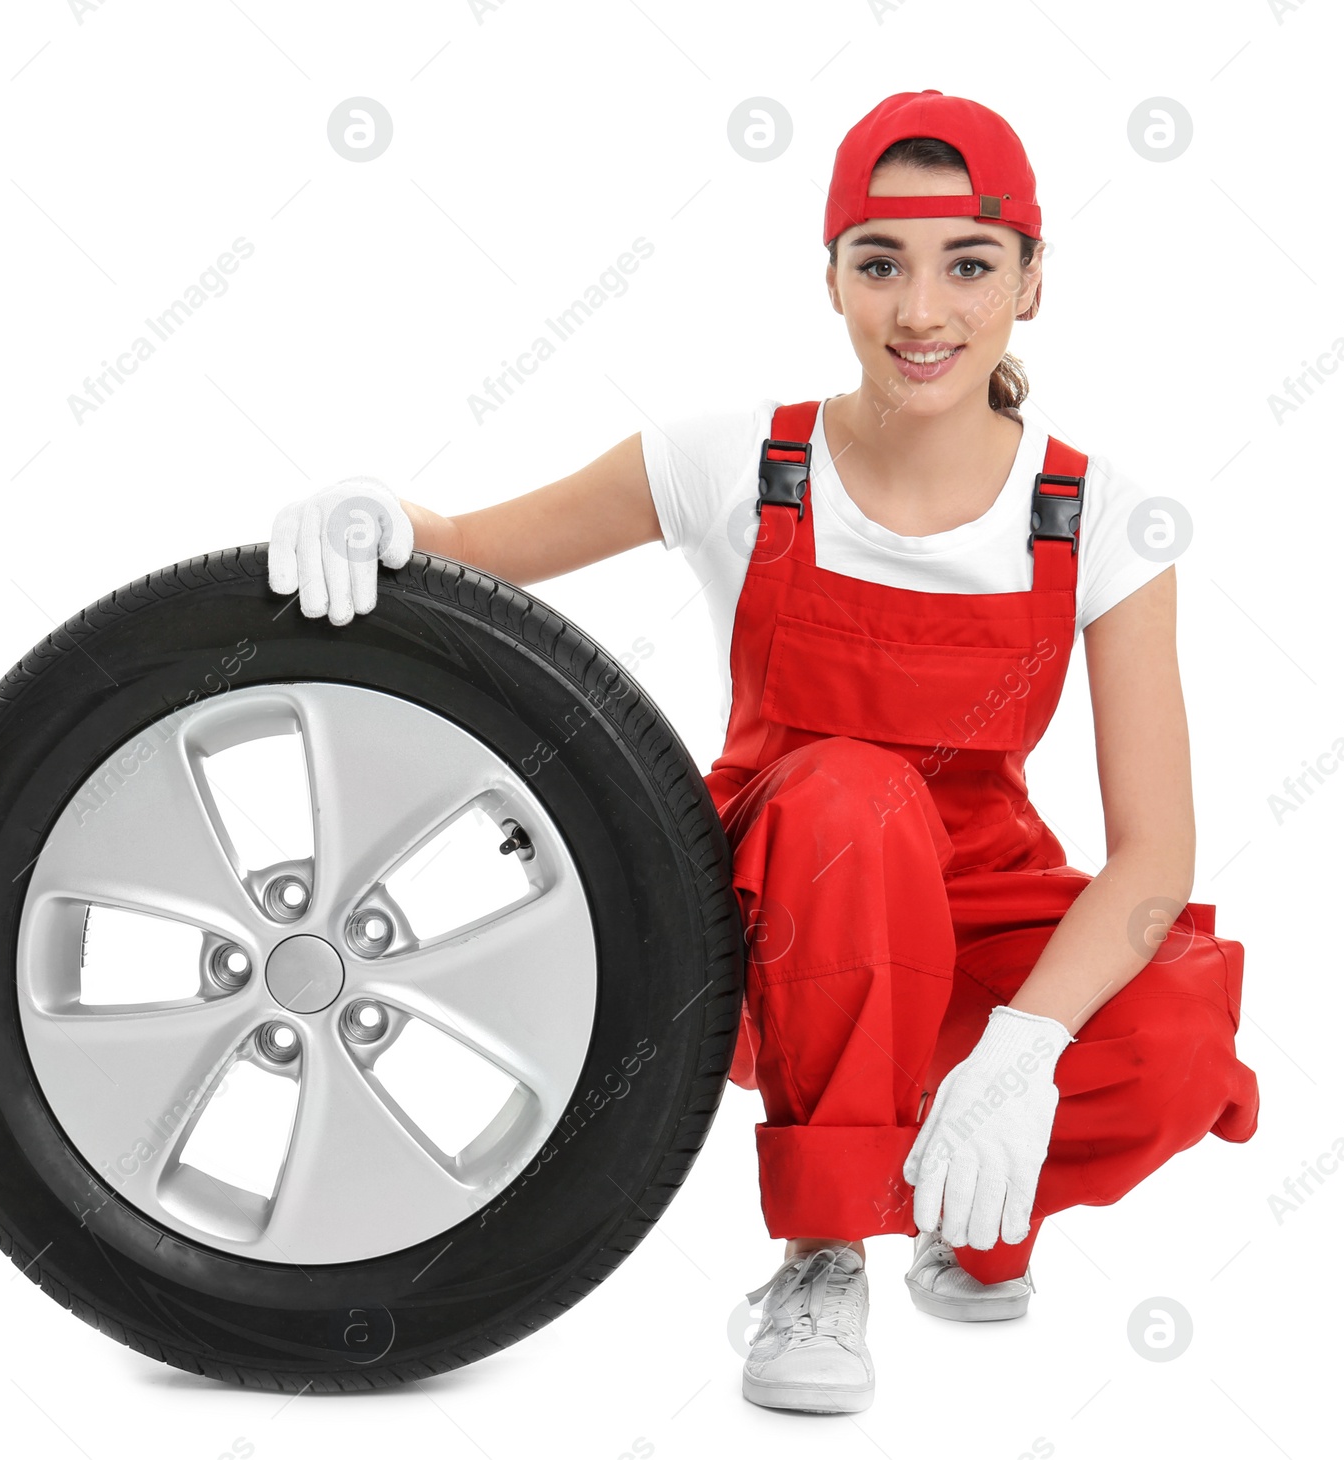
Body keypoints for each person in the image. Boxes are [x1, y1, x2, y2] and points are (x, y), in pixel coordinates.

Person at [267, 89, 1260, 1417]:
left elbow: (1153, 856)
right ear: (833, 278)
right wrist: (376, 509)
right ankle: (824, 1254)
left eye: (969, 265)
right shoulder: (733, 461)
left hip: (976, 908)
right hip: (775, 916)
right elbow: (482, 553)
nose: (923, 313)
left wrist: (1025, 1051)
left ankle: (967, 1184)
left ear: (1030, 284)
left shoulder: (1101, 517)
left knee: (1178, 1050)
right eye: (882, 265)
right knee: (854, 797)